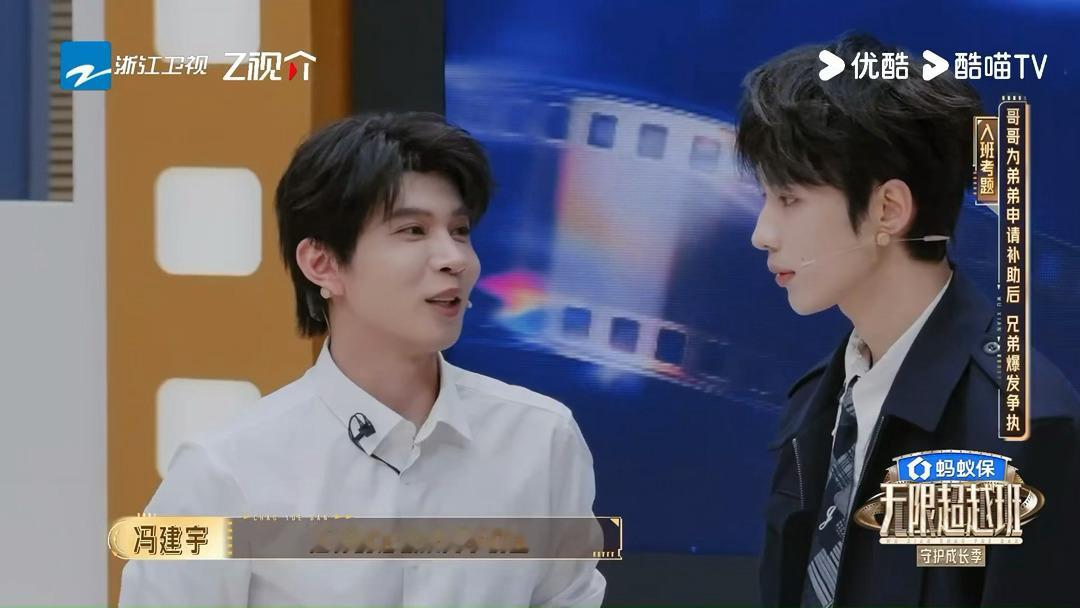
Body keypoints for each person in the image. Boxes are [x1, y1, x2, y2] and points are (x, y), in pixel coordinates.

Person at [119, 112, 606, 607]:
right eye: (413, 230)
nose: (455, 259)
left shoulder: (541, 439)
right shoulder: (226, 471)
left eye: (459, 231)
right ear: (323, 263)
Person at [738, 33, 1080, 606]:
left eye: (789, 199)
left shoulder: (1020, 423)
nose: (762, 233)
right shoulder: (815, 405)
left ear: (889, 209)